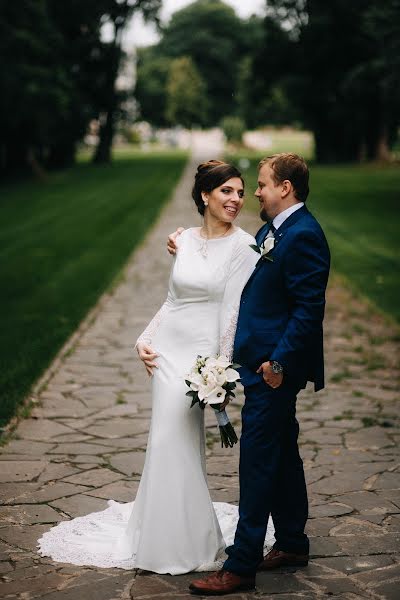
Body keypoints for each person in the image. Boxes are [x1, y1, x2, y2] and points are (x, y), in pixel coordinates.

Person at [37, 160, 275, 574]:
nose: (236, 199)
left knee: (177, 442)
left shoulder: (243, 248)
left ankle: (185, 540)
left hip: (201, 361)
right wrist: (144, 339)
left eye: (240, 192)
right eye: (227, 192)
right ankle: (160, 535)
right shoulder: (181, 240)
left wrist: (218, 371)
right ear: (205, 195)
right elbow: (172, 301)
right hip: (167, 353)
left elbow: (233, 312)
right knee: (164, 441)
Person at [168, 153, 330, 595]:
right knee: (282, 453)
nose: (253, 192)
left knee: (257, 462)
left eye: (260, 184)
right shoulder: (272, 231)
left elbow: (308, 309)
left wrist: (278, 363)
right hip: (260, 366)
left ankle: (240, 566)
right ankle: (293, 542)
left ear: (285, 188)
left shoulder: (304, 236)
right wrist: (184, 247)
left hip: (274, 370)